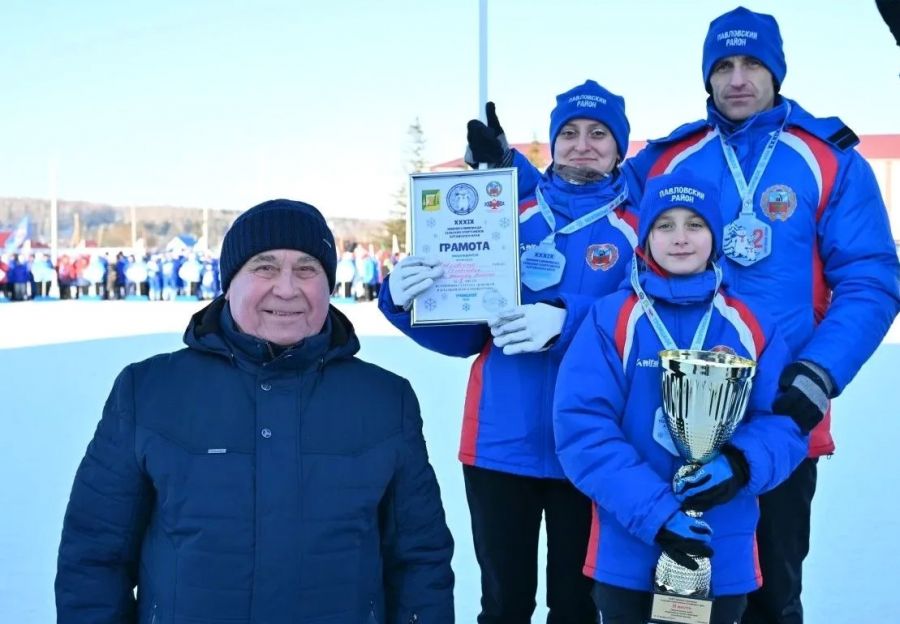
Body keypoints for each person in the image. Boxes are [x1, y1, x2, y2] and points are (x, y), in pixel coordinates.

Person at [616, 7, 900, 623]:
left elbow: (870, 279)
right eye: (723, 66)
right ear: (707, 78)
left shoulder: (828, 160)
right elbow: (590, 200)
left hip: (779, 415)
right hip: (669, 416)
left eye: (751, 64)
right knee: (675, 598)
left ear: (776, 72)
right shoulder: (669, 160)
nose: (737, 78)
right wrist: (503, 180)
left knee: (771, 598)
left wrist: (819, 372)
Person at [56, 199, 455, 624]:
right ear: (229, 283)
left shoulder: (385, 400)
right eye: (264, 267)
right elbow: (95, 555)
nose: (286, 288)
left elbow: (420, 562)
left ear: (329, 284)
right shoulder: (148, 391)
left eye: (307, 268)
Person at [380, 80, 639, 623]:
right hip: (501, 442)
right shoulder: (506, 216)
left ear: (620, 147)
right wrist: (409, 303)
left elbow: (648, 328)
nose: (583, 144)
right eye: (568, 133)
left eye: (598, 133)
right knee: (503, 604)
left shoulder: (640, 228)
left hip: (592, 445)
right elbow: (465, 337)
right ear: (552, 144)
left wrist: (569, 321)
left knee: (577, 605)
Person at [554, 171, 808, 624]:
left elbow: (783, 423)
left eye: (695, 224)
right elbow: (583, 431)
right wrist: (657, 512)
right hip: (629, 549)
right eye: (664, 225)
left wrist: (741, 463)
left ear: (715, 234)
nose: (680, 238)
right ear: (646, 237)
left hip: (721, 546)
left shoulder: (751, 323)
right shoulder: (612, 318)